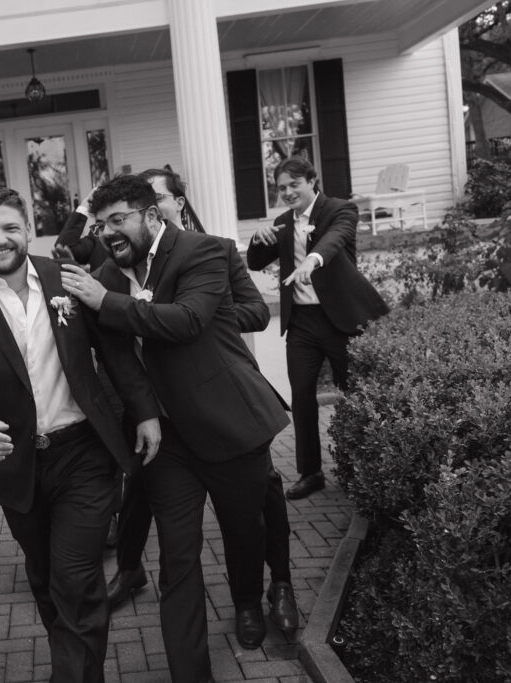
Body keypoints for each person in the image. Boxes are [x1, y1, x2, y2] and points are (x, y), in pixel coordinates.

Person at [61, 174, 290, 682]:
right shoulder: (109, 271)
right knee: (177, 556)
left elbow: (188, 320)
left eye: (117, 221)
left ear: (150, 215)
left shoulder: (203, 251)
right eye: (101, 225)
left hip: (227, 421)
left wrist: (106, 302)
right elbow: (118, 353)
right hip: (163, 439)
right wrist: (143, 411)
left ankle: (249, 602)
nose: (108, 233)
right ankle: (192, 674)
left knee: (243, 528)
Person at [0, 187, 162, 683]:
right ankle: (78, 669)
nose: (1, 239)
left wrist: (144, 411)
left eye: (10, 227)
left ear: (28, 228)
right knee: (44, 579)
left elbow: (117, 354)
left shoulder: (68, 280)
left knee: (75, 578)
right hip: (17, 466)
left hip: (83, 453)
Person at [247, 157, 388, 500]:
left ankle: (364, 468)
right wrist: (257, 238)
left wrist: (313, 260)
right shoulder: (281, 223)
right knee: (302, 396)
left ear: (312, 181)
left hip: (340, 318)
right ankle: (310, 473)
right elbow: (254, 262)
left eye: (294, 184)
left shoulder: (341, 210)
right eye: (281, 188)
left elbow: (335, 239)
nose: (287, 192)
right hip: (302, 323)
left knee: (353, 393)